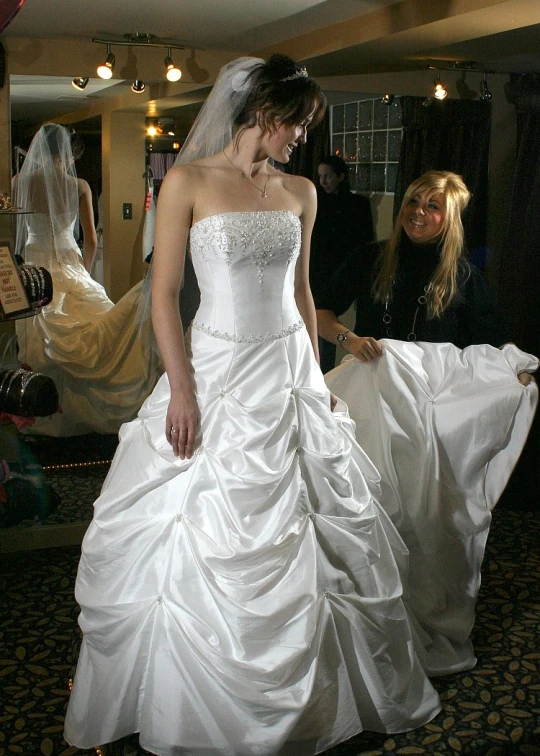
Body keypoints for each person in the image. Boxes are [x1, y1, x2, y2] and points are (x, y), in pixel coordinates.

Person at [64, 55, 443, 756]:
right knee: (197, 528)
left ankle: (325, 701)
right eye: (297, 122)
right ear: (263, 112)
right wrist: (181, 387)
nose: (303, 136)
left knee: (319, 529)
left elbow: (301, 295)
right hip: (214, 367)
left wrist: (316, 377)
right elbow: (165, 296)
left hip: (287, 375)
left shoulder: (301, 190)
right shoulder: (186, 182)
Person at [317, 170, 538, 675]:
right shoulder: (372, 256)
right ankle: (365, 616)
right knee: (369, 504)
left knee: (428, 514)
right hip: (373, 396)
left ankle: (416, 613)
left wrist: (515, 373)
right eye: (413, 201)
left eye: (432, 206)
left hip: (431, 411)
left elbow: (490, 346)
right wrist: (347, 339)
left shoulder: (464, 277)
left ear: (451, 217)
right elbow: (319, 308)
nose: (417, 211)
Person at [12, 124, 160, 436]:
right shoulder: (79, 186)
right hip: (70, 263)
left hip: (35, 266)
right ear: (65, 154)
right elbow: (90, 240)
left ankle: (42, 413)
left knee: (40, 336)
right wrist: (84, 274)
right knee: (96, 328)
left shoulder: (19, 182)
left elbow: (17, 230)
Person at [311, 155, 373, 373]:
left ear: (341, 176)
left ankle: (343, 370)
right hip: (317, 270)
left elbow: (366, 240)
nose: (324, 181)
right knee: (319, 318)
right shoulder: (315, 201)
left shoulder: (358, 204)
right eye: (320, 177)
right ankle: (319, 370)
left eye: (328, 176)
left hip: (347, 269)